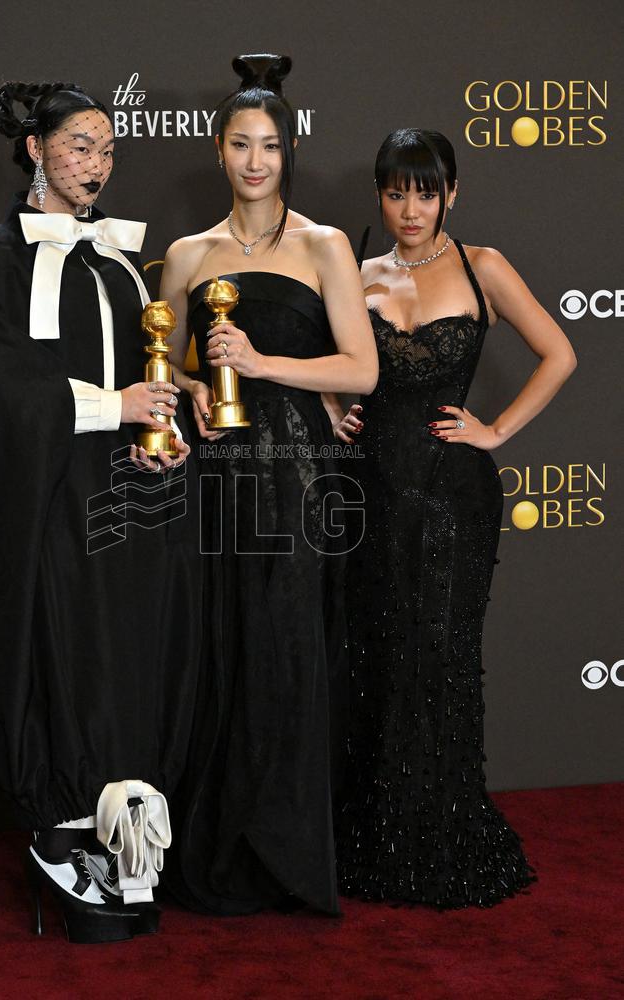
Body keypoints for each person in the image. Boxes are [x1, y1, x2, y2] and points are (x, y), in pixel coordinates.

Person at [0, 80, 201, 942]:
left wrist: (160, 422)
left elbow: (148, 367)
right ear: (35, 150)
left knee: (129, 646)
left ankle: (126, 828)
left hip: (133, 494)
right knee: (69, 645)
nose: (95, 166)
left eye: (106, 150)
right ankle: (64, 830)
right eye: (78, 147)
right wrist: (117, 408)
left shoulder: (119, 261)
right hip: (53, 498)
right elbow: (7, 392)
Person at [329, 128, 576, 908]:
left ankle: (441, 829)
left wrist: (495, 430)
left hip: (451, 499)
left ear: (451, 194)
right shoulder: (354, 271)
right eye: (396, 192)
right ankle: (373, 830)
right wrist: (334, 402)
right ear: (379, 194)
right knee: (375, 656)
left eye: (425, 192)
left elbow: (559, 353)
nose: (410, 208)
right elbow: (333, 364)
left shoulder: (483, 267)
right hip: (367, 491)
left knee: (440, 659)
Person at [159, 54, 378, 916]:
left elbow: (359, 371)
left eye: (271, 146)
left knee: (287, 647)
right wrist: (189, 391)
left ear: (287, 153)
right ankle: (217, 843)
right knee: (220, 646)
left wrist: (262, 362)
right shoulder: (185, 253)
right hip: (217, 474)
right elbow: (165, 358)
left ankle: (285, 852)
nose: (256, 161)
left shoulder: (323, 244)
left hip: (296, 479)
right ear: (217, 151)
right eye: (241, 145)